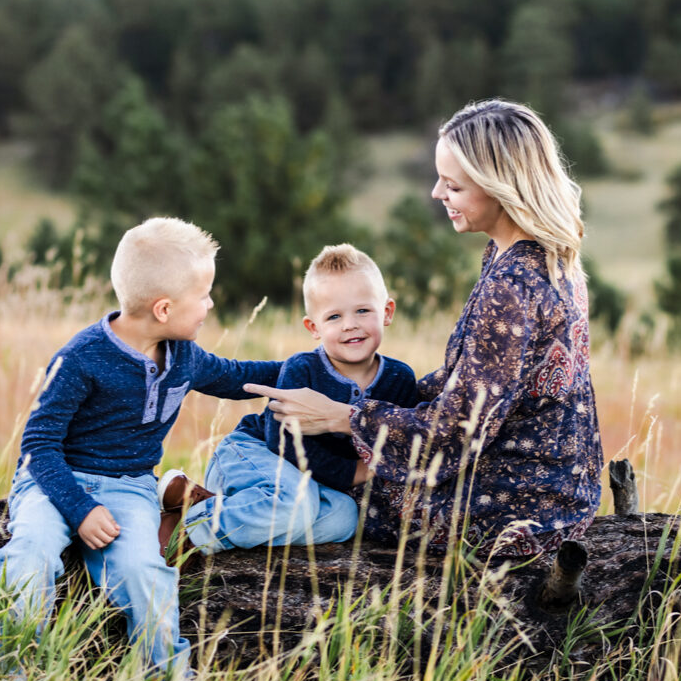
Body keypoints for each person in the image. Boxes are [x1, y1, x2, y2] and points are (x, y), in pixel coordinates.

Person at [245, 99, 604, 557]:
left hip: (518, 503)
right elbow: (485, 382)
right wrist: (380, 397)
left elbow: (457, 432)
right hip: (563, 485)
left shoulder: (511, 285)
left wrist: (344, 416)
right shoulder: (546, 256)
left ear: (501, 187)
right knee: (310, 448)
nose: (437, 193)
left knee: (323, 484)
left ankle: (199, 511)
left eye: (452, 184)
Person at [0, 217, 281, 681]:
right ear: (164, 309)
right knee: (31, 553)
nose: (210, 304)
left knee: (144, 571)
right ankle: (10, 678)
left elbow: (238, 375)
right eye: (204, 294)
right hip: (54, 482)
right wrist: (81, 508)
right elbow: (38, 446)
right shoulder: (81, 358)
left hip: (129, 488)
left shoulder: (184, 357)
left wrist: (316, 366)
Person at [160, 244, 420, 552]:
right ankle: (190, 529)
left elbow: (397, 439)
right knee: (298, 506)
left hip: (300, 483)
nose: (350, 324)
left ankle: (207, 504)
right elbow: (284, 445)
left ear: (387, 312)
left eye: (363, 310)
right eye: (334, 316)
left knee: (345, 518)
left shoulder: (400, 378)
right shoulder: (303, 369)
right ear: (314, 328)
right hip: (254, 454)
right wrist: (355, 473)